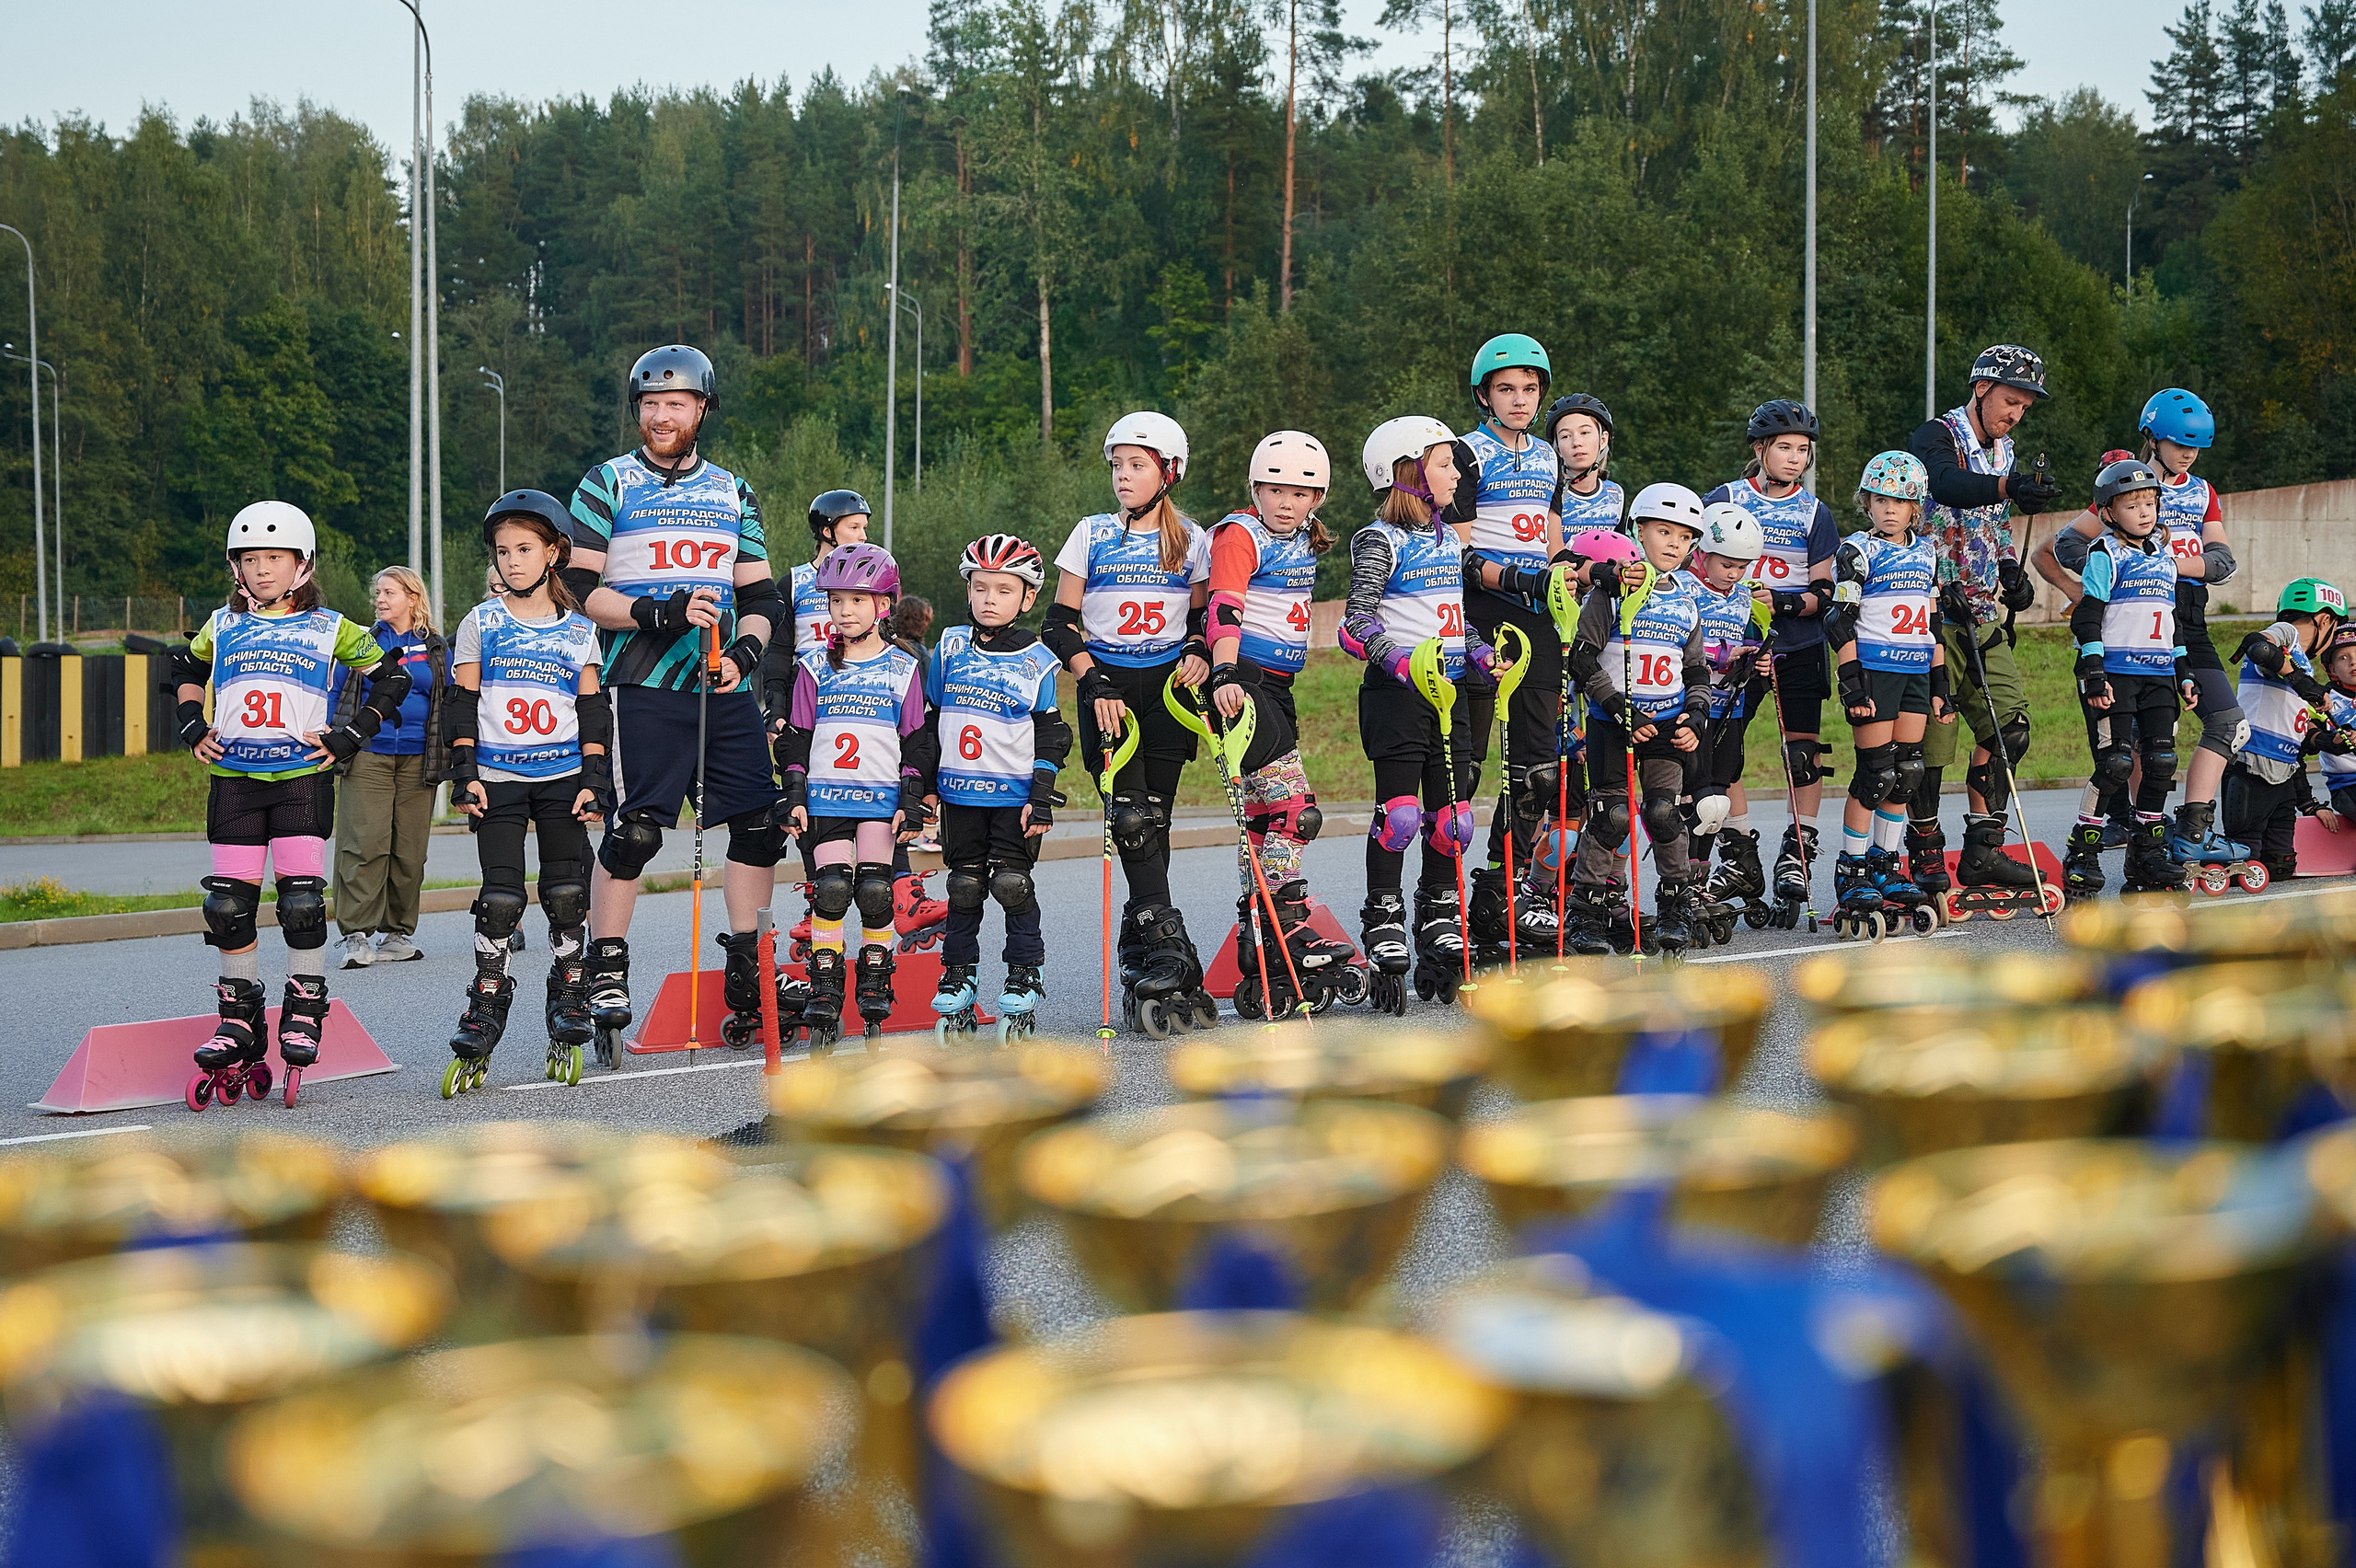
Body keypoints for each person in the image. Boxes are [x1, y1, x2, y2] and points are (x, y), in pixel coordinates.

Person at [560, 345, 786, 1051]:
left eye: (676, 405)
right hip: (643, 683)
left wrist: (747, 652)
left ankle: (748, 965)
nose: (662, 416)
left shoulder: (731, 489)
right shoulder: (607, 483)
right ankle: (608, 964)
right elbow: (578, 589)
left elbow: (759, 594)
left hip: (721, 685)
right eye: (651, 405)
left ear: (701, 411)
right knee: (637, 831)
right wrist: (656, 610)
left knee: (758, 825)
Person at [169, 502, 414, 1108]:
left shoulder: (331, 627)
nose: (261, 569)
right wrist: (189, 725)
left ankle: (304, 1009)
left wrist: (349, 734)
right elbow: (182, 668)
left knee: (302, 902)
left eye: (272, 559)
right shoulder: (220, 626)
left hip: (302, 778)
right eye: (250, 559)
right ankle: (239, 1019)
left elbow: (393, 677)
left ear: (300, 565)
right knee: (228, 907)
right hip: (235, 779)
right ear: (236, 567)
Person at [1043, 411, 1214, 1032]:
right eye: (1117, 465)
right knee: (1132, 820)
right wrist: (1091, 680)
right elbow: (1057, 624)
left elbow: (1204, 620)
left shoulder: (1191, 539)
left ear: (1168, 472)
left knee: (1156, 827)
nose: (1122, 476)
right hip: (1107, 690)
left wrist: (1197, 650)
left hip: (1167, 692)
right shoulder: (1090, 533)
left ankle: (1137, 948)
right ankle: (1171, 950)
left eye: (1136, 465)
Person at [2035, 392, 2247, 874]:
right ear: (2151, 437)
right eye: (2177, 443)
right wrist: (2093, 589)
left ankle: (2192, 832)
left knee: (2228, 724)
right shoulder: (2126, 484)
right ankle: (2142, 840)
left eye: (2196, 446)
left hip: (2185, 622)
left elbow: (2222, 562)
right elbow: (2066, 543)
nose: (2187, 454)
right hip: (2129, 632)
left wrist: (2167, 563)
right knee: (2132, 752)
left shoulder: (2202, 491)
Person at [440, 491, 609, 1090]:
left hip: (562, 778)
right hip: (500, 778)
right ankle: (486, 1002)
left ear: (554, 554)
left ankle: (569, 991)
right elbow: (461, 705)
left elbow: (592, 711)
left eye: (525, 549)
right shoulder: (480, 623)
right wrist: (464, 775)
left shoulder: (580, 632)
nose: (512, 561)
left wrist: (595, 782)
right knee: (500, 900)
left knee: (566, 893)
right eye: (504, 551)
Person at [1341, 416, 1498, 1005]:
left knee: (1452, 820)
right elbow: (1357, 624)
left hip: (1450, 694)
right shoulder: (1379, 540)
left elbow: (1452, 615)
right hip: (1398, 695)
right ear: (1409, 473)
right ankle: (1383, 911)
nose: (1456, 472)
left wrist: (1482, 654)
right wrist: (1401, 664)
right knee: (1402, 815)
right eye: (1443, 463)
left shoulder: (1447, 538)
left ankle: (1438, 910)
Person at [1206, 431, 1357, 1009]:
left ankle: (1258, 939)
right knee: (1298, 810)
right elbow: (1224, 606)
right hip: (1241, 681)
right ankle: (1286, 924)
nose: (1287, 501)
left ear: (1317, 498)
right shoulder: (1240, 534)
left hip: (1280, 686)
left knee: (1267, 817)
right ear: (1256, 488)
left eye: (1302, 492)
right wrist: (1223, 676)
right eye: (1276, 489)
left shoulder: (1302, 537)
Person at [1908, 344, 2057, 905]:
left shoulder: (2006, 450)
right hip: (1927, 611)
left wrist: (2012, 571)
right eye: (2009, 400)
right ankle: (1925, 850)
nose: (2015, 413)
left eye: (2024, 406)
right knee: (1931, 744)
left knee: (2008, 727)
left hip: (1981, 607)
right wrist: (2006, 486)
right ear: (1981, 389)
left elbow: (1992, 526)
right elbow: (1946, 485)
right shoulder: (1936, 435)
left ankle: (1983, 848)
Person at [774, 543, 936, 1047]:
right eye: (837, 600)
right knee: (831, 890)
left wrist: (913, 799)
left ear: (883, 606)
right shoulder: (814, 667)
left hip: (880, 801)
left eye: (858, 601)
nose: (845, 611)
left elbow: (917, 739)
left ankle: (875, 974)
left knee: (873, 890)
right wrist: (793, 791)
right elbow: (798, 733)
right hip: (826, 800)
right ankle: (825, 985)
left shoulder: (901, 669)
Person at [925, 535, 1070, 1039]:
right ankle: (959, 976)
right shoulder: (947, 646)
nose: (989, 598)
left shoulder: (1039, 658)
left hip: (1014, 797)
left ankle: (1023, 973)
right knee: (964, 887)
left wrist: (1042, 795)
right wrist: (920, 786)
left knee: (1011, 884)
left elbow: (1051, 729)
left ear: (1027, 598)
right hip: (958, 793)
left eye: (1003, 590)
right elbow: (930, 720)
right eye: (981, 587)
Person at [1562, 484, 1710, 955]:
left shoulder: (1687, 599)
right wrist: (1617, 708)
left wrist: (1697, 715)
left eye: (1684, 537)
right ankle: (1586, 911)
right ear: (1638, 531)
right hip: (1615, 721)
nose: (1673, 543)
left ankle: (1675, 907)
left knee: (1663, 813)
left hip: (1666, 723)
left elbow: (1697, 669)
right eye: (1663, 531)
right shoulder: (1611, 593)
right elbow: (1582, 661)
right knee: (1613, 816)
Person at [1704, 401, 1839, 914]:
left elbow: (1825, 592)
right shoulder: (1727, 498)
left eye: (1803, 450)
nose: (1795, 458)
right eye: (1785, 448)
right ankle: (1738, 850)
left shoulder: (1813, 511)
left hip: (1797, 642)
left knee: (1802, 752)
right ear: (1760, 449)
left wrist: (1783, 602)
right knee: (1725, 747)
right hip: (1735, 639)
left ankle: (1796, 852)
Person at [1458, 337, 1567, 959]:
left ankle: (1504, 889)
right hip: (1488, 610)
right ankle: (1438, 897)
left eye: (1529, 389)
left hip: (1540, 613)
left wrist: (1572, 568)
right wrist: (1521, 578)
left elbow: (1553, 538)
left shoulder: (1549, 456)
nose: (1520, 400)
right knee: (1467, 768)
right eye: (1506, 389)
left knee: (1538, 771)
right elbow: (1464, 553)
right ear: (1484, 395)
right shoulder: (1469, 455)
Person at [1823, 453, 1951, 933]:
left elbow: (1933, 622)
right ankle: (1852, 869)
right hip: (1875, 672)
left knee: (1907, 774)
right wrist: (1851, 681)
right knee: (1875, 774)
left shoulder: (1927, 552)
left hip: (1917, 671)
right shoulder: (1857, 552)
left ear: (1915, 506)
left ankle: (1885, 863)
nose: (1890, 509)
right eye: (1880, 499)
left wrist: (1941, 683)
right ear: (1867, 502)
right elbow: (1840, 620)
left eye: (1899, 500)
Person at [2059, 459, 2191, 897]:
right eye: (2133, 505)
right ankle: (2083, 851)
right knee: (2115, 764)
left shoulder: (2166, 558)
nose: (2145, 511)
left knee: (2160, 764)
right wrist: (2093, 672)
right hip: (2116, 674)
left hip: (2159, 676)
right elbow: (2088, 616)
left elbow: (2171, 623)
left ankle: (2147, 853)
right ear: (2109, 512)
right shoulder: (2105, 553)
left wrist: (2184, 673)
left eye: (2150, 503)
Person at [329, 565, 449, 967]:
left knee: (410, 850)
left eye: (388, 593)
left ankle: (397, 933)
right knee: (363, 844)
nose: (379, 599)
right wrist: (332, 738)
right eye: (377, 593)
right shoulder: (363, 643)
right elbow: (338, 696)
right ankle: (356, 935)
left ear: (413, 599)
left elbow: (448, 698)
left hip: (420, 757)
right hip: (369, 754)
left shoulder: (435, 647)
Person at [1678, 502, 1770, 926]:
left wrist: (1759, 663)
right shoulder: (1684, 589)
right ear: (1702, 554)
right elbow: (1674, 645)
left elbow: (1749, 646)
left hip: (1728, 709)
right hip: (1690, 709)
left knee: (1716, 801)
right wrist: (1718, 656)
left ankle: (1699, 880)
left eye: (1742, 566)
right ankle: (1677, 882)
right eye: (1727, 564)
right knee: (1689, 801)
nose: (1734, 573)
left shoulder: (1744, 599)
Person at [2224, 579, 2348, 885]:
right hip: (2254, 762)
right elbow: (2260, 646)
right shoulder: (2289, 634)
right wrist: (2302, 682)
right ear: (2324, 620)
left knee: (2279, 866)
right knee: (2247, 852)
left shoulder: (2304, 663)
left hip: (2284, 772)